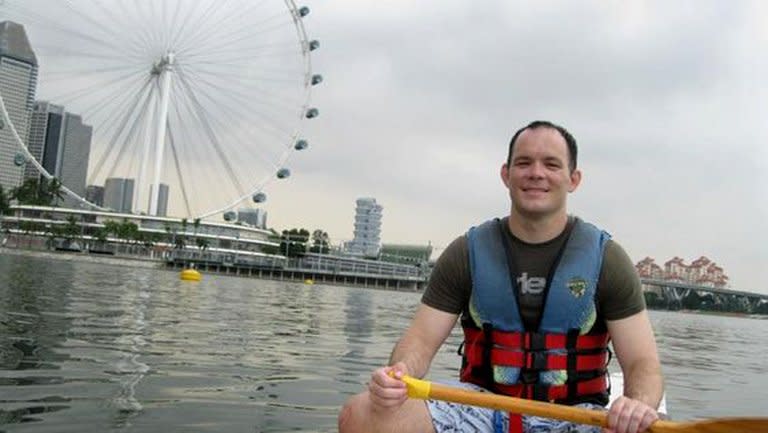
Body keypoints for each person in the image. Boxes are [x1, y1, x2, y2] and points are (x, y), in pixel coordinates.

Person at [338, 120, 664, 433]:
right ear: (506, 175)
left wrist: (638, 405)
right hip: (482, 409)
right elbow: (420, 340)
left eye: (551, 164)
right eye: (524, 163)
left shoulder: (608, 259)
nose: (536, 173)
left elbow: (642, 363)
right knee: (361, 413)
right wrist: (400, 374)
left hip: (578, 414)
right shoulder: (466, 252)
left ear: (573, 179)